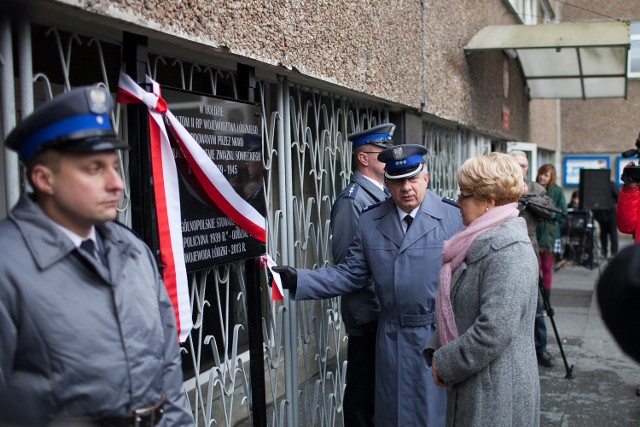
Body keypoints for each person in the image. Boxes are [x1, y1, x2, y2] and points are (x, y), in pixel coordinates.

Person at [0, 86, 194, 426]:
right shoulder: (8, 264)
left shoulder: (133, 251)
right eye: (94, 169)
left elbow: (168, 377)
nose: (116, 183)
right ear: (43, 179)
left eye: (115, 167)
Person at [273, 144, 463, 427]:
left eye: (412, 179)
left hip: (435, 337)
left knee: (433, 416)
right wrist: (298, 279)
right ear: (386, 183)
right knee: (391, 414)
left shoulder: (453, 217)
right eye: (398, 181)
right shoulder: (371, 220)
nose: (406, 188)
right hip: (390, 338)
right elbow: (350, 274)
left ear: (426, 178)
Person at [423, 152, 540, 426]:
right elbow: (461, 311)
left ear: (488, 202)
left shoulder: (510, 251)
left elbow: (493, 330)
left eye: (464, 194)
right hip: (480, 385)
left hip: (497, 393)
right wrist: (437, 352)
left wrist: (446, 362)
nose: (457, 201)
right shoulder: (478, 240)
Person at [330, 123, 393, 427]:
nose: (389, 158)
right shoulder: (353, 200)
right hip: (368, 315)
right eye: (382, 153)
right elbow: (348, 265)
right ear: (363, 158)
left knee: (380, 395)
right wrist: (372, 310)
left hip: (384, 313)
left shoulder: (383, 194)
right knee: (361, 397)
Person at [509, 151, 557, 368]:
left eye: (526, 165)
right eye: (518, 164)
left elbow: (550, 210)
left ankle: (541, 349)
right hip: (505, 253)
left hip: (529, 252)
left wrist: (526, 195)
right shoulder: (499, 184)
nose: (523, 169)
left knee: (536, 306)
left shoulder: (535, 188)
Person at [535, 164, 567, 299]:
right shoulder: (533, 187)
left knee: (547, 266)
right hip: (535, 232)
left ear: (551, 177)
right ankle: (535, 295)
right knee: (536, 267)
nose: (542, 177)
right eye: (541, 174)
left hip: (550, 234)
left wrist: (551, 214)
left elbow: (562, 212)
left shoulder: (557, 191)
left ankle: (546, 296)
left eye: (546, 175)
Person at [592, 180, 619, 260]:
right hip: (601, 213)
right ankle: (604, 252)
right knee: (603, 234)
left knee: (613, 233)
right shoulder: (596, 186)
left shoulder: (611, 185)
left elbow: (618, 196)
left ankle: (614, 252)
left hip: (611, 213)